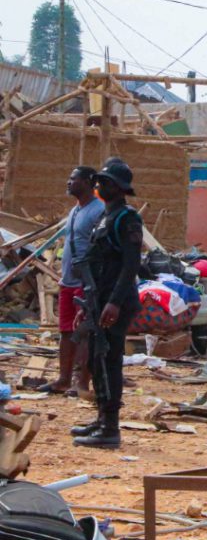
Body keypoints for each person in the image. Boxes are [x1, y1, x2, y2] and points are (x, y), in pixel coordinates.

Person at [71, 161, 143, 449]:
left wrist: (113, 303)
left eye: (105, 181)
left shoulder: (127, 219)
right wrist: (86, 305)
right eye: (99, 181)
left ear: (119, 187)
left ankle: (110, 428)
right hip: (98, 300)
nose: (99, 185)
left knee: (109, 361)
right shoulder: (106, 216)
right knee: (95, 360)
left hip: (117, 302)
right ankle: (101, 420)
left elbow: (130, 265)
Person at [38, 167, 104, 397]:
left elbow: (101, 250)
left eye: (73, 179)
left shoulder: (99, 211)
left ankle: (81, 383)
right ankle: (63, 379)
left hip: (85, 282)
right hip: (68, 281)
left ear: (87, 182)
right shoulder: (76, 210)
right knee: (66, 331)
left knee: (85, 332)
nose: (68, 182)